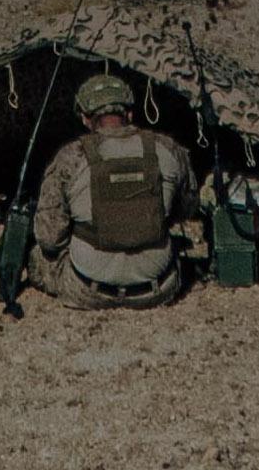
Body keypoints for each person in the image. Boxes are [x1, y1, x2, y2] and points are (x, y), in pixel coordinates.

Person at [29, 73, 201, 308]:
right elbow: (186, 209)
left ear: (85, 118)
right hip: (158, 288)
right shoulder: (168, 148)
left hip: (88, 290)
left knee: (38, 258)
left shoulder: (71, 157)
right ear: (129, 114)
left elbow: (49, 238)